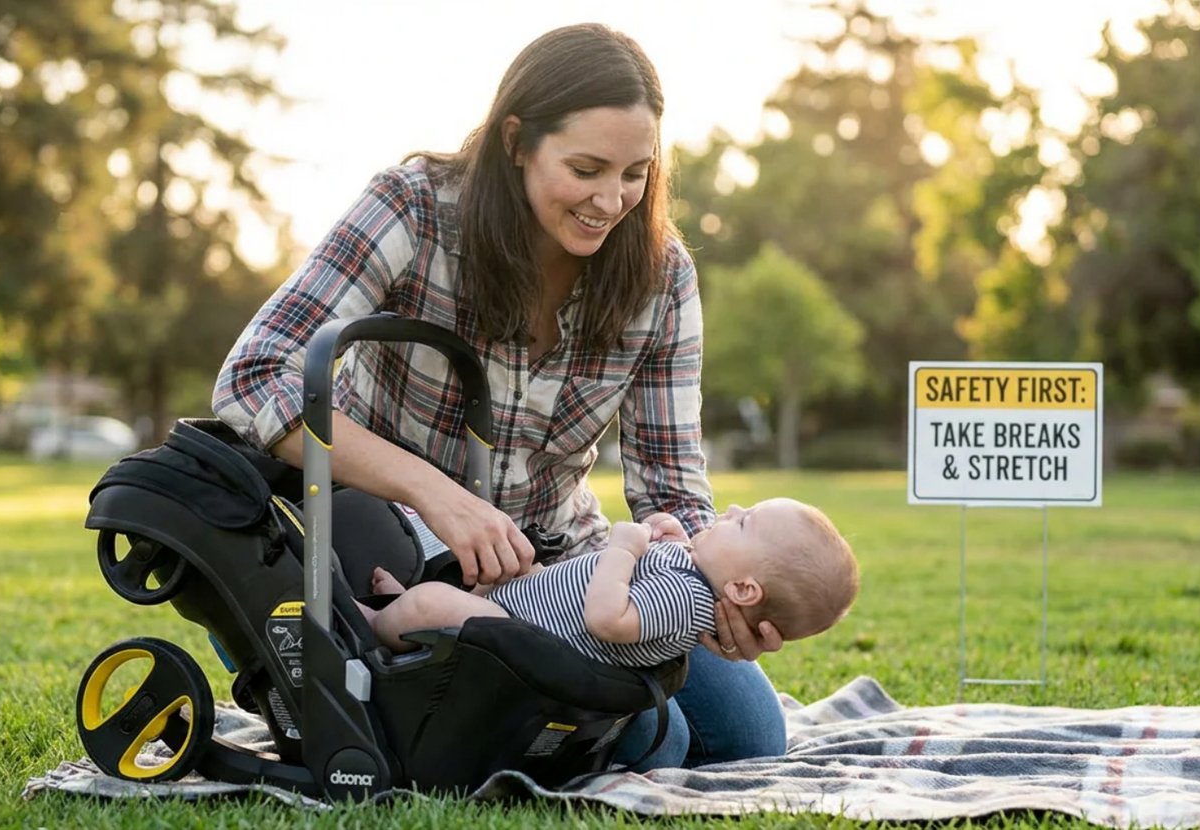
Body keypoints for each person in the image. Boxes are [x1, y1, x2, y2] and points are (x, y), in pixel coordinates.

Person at [213, 22, 789, 769]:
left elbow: (671, 485)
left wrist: (711, 589)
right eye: (585, 168)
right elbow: (254, 378)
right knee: (658, 740)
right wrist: (438, 496)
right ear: (517, 141)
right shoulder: (414, 210)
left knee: (748, 741)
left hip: (564, 569)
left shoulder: (661, 276)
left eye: (635, 173)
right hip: (393, 555)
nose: (611, 199)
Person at [360, 499, 859, 673]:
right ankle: (405, 613)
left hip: (532, 639)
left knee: (434, 605)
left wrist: (623, 549)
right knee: (490, 582)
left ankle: (374, 623)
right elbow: (654, 578)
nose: (729, 510)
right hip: (534, 604)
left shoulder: (687, 600)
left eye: (744, 522)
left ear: (744, 591)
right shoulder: (696, 576)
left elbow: (606, 618)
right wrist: (672, 537)